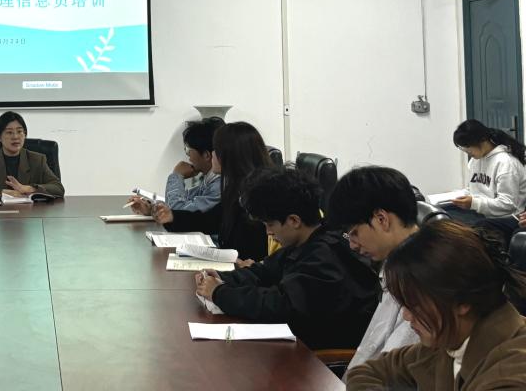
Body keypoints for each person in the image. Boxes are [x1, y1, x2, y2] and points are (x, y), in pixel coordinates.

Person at [194, 167, 379, 350]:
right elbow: (263, 271)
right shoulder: (305, 242)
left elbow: (280, 305)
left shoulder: (325, 257)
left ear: (294, 221)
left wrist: (220, 293)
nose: (268, 232)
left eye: (270, 224)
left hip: (319, 357)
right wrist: (222, 278)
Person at [346, 220, 526, 390]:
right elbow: (366, 371)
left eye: (414, 304)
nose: (406, 316)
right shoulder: (449, 340)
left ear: (461, 300)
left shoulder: (511, 375)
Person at [326, 165, 420, 372]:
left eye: (354, 233)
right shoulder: (393, 265)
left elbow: (395, 370)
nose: (352, 245)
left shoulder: (422, 277)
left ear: (381, 219)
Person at [153, 121, 271, 261]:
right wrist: (171, 216)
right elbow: (207, 220)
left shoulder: (256, 196)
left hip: (245, 269)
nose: (212, 155)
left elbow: (251, 255)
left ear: (229, 156)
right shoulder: (236, 189)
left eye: (216, 150)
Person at [446, 119, 526, 242]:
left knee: (471, 228)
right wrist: (460, 196)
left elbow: (508, 205)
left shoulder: (506, 163)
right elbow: (473, 189)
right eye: (463, 148)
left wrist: (474, 203)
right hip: (481, 212)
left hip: (507, 217)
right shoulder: (475, 161)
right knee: (443, 214)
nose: (467, 152)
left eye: (468, 147)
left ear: (482, 141)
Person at [128, 117, 222, 215]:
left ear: (206, 155)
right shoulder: (210, 181)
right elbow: (184, 201)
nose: (188, 157)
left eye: (189, 150)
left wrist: (177, 175)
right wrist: (151, 208)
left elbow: (178, 212)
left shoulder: (218, 187)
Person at [0, 112, 65, 200]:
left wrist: (29, 188)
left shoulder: (37, 160)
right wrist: (4, 192)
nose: (15, 137)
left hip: (30, 212)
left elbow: (58, 188)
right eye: (9, 132)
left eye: (19, 131)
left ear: (25, 134)